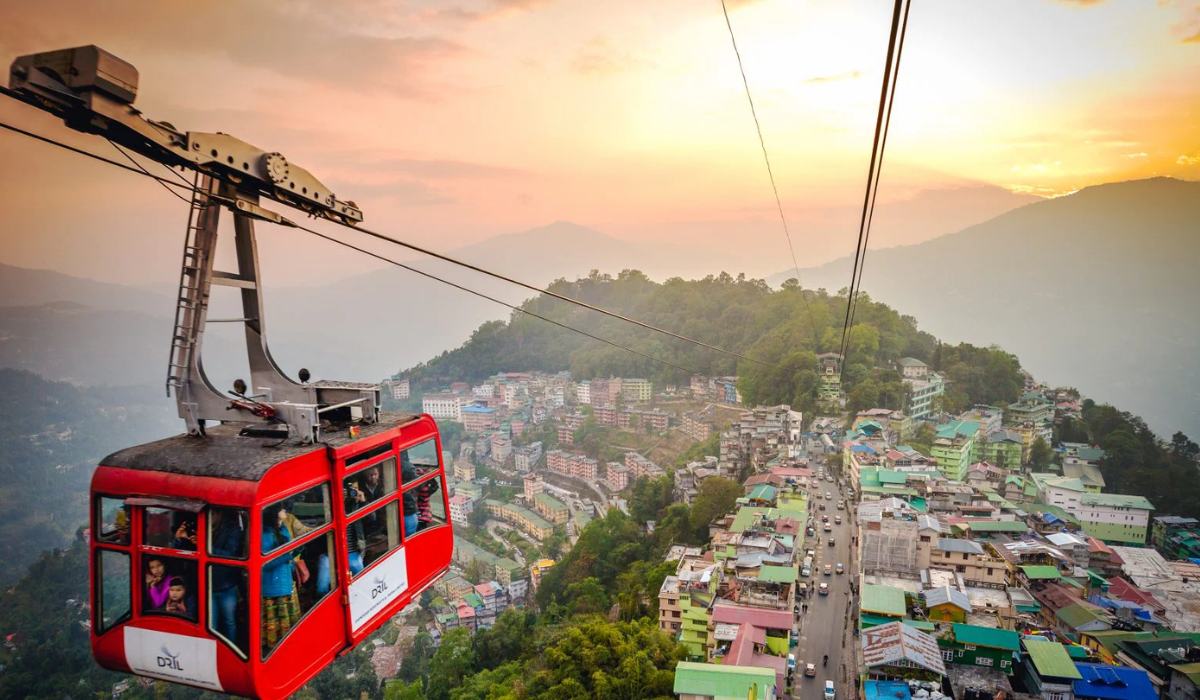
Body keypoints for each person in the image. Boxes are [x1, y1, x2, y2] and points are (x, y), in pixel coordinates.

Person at [261, 504, 300, 653]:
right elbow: (266, 563)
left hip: (286, 581)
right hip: (273, 586)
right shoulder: (264, 535)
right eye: (282, 509)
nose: (285, 511)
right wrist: (289, 555)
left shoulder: (283, 529)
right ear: (274, 513)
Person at [209, 509, 246, 643]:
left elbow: (230, 554)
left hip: (226, 585)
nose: (209, 517)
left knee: (229, 622)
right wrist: (179, 539)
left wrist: (206, 546)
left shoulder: (233, 530)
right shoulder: (201, 527)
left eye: (212, 513)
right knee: (211, 625)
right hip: (207, 584)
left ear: (220, 513)